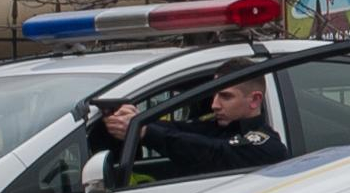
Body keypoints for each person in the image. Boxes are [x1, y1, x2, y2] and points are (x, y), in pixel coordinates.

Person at [100, 76, 289, 179]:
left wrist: (145, 131)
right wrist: (133, 119)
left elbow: (210, 152)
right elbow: (180, 129)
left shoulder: (267, 145)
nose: (214, 105)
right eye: (214, 95)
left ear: (255, 100)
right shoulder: (218, 127)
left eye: (226, 96)